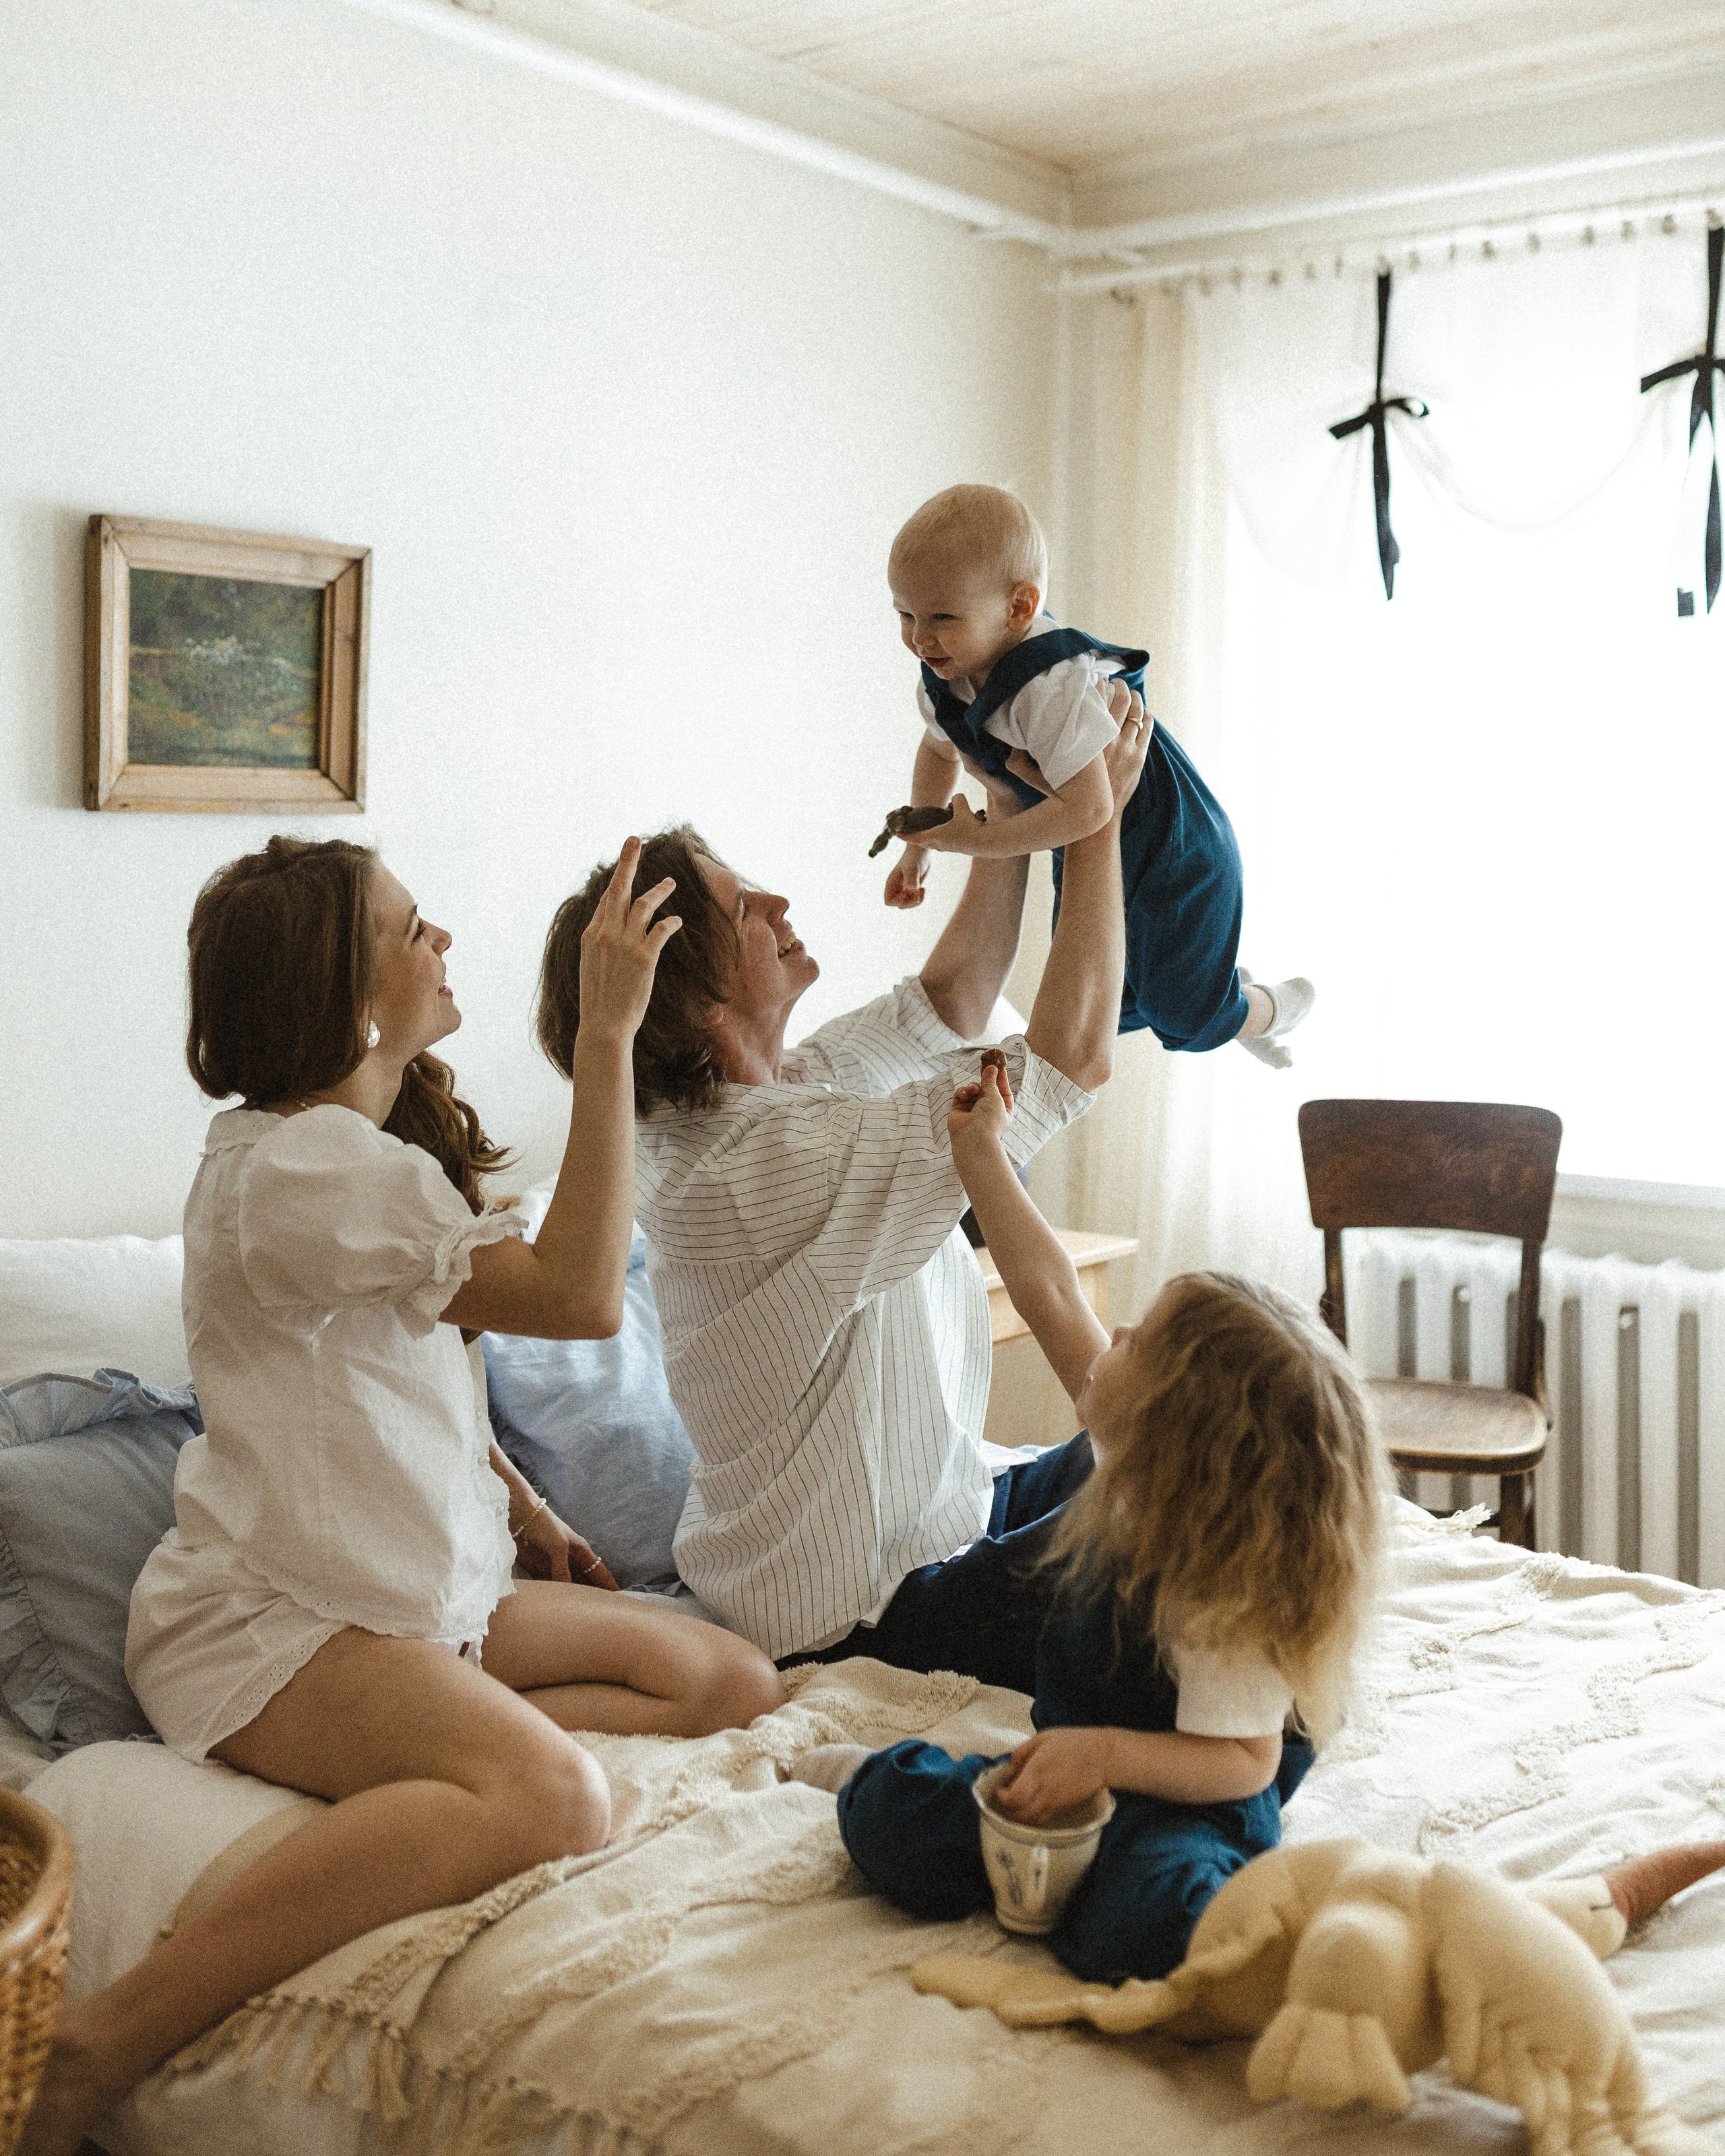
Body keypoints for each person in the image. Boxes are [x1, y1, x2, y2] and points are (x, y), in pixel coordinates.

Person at [24, 835, 782, 2156]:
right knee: (558, 1799)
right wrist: (605, 1036)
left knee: (731, 1682)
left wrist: (526, 1510)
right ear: (342, 989)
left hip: (419, 1598)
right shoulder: (305, 1168)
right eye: (411, 927)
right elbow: (581, 1297)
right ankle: (107, 2037)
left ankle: (436, 1746)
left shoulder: (346, 1160)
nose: (440, 944)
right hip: (274, 1628)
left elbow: (395, 1372)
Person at [536, 689, 1152, 1683]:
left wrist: (1001, 795)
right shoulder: (753, 1169)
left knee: (1191, 1439)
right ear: (691, 999)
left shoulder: (796, 1085)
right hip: (865, 1616)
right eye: (745, 911)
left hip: (948, 1519)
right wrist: (1094, 819)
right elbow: (1074, 1055)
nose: (779, 905)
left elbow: (954, 997)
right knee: (1186, 1512)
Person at [823, 1054, 1387, 1985]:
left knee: (1146, 1922)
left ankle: (1307, 1951)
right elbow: (1047, 1286)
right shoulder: (1144, 1459)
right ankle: (868, 1777)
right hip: (1083, 1760)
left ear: (1180, 1425)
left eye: (1140, 1339)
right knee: (892, 1820)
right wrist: (978, 1156)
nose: (1112, 1337)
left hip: (1190, 1794)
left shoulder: (1221, 1577)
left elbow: (1243, 1762)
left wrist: (1102, 1756)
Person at [883, 483, 1313, 1067]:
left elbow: (1091, 808)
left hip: (1173, 841)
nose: (919, 638)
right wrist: (919, 851)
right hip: (1086, 841)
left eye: (941, 617)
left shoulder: (1047, 687)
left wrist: (980, 841)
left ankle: (1264, 1009)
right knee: (1101, 996)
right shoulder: (947, 675)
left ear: (1019, 609)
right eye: (905, 615)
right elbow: (939, 752)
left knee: (1183, 1013)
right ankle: (1222, 994)